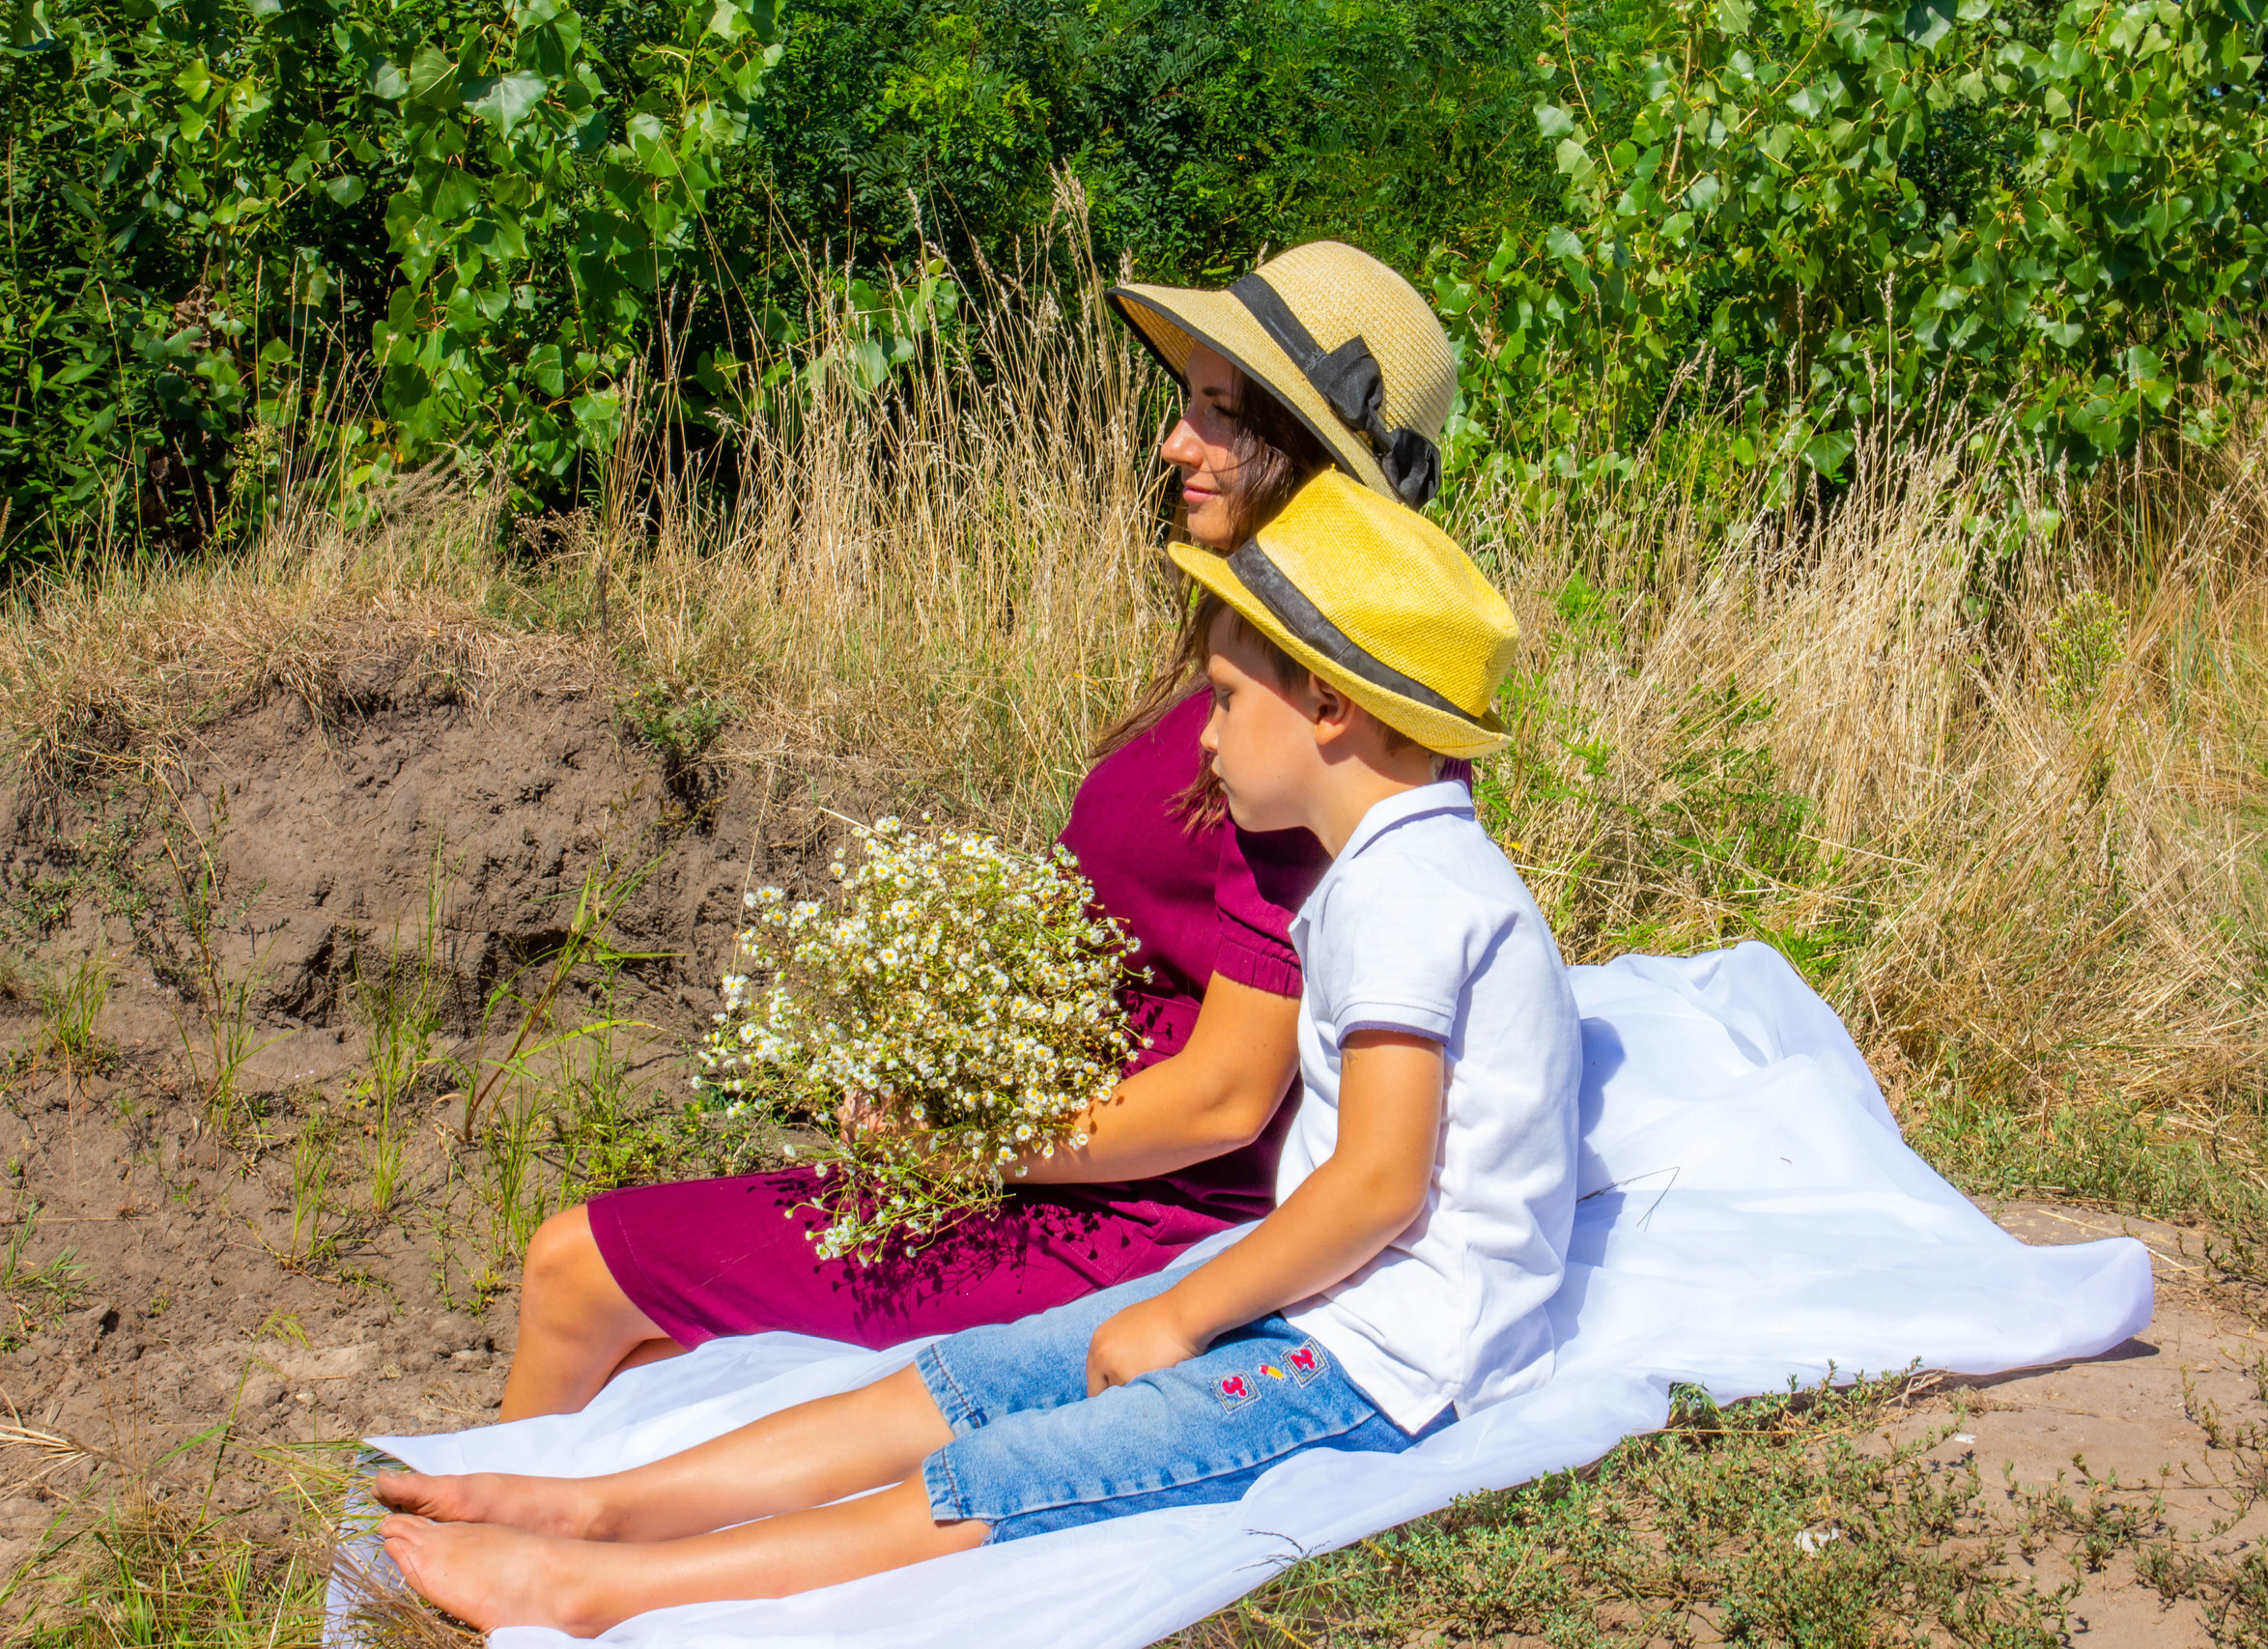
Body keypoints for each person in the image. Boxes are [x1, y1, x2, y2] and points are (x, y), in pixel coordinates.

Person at [370, 469, 1581, 1635]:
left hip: (1381, 1363)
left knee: (1023, 1463)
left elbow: (1378, 1180)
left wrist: (1187, 1313)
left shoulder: (1409, 895)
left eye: (1223, 698)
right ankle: (598, 1504)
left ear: (1330, 706)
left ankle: (603, 1589)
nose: (1203, 740)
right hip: (1322, 1293)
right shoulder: (1398, 869)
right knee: (984, 1376)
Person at [496, 243, 1462, 1420]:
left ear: (1310, 463)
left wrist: (962, 1145)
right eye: (1187, 403)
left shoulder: (1316, 726)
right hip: (1065, 1145)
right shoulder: (1253, 659)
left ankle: (477, 1593)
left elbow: (1223, 1100)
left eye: (1216, 410)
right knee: (655, 1376)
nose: (1175, 443)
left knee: (575, 1268)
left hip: (1130, 1211)